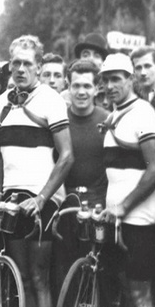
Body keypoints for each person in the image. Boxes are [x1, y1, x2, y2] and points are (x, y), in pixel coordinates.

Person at [0, 34, 73, 307]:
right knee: (21, 277)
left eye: (28, 63)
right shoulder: (2, 102)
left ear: (39, 66)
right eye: (16, 64)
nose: (20, 69)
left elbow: (67, 156)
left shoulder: (51, 100)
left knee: (39, 277)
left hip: (42, 200)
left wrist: (42, 197)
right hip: (11, 199)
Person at [96, 53, 155, 307]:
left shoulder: (143, 112)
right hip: (117, 220)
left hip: (139, 220)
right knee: (130, 293)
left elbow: (154, 169)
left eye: (117, 78)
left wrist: (124, 206)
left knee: (141, 296)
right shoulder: (115, 115)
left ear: (131, 79)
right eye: (106, 79)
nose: (110, 85)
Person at [57, 60, 110, 293]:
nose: (81, 92)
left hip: (99, 206)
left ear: (96, 89)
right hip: (67, 207)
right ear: (68, 86)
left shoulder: (108, 120)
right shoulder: (59, 121)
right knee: (65, 273)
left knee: (101, 274)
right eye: (76, 85)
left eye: (87, 86)